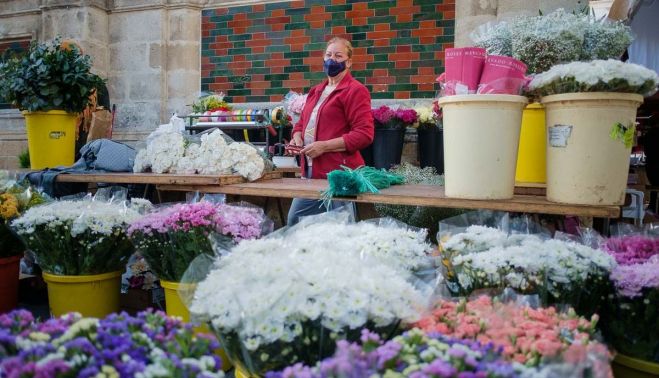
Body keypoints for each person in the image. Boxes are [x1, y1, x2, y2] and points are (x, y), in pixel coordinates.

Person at [287, 36, 374, 225]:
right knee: (295, 221)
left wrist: (324, 146)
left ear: (349, 62)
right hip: (310, 172)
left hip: (340, 174)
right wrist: (297, 137)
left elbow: (364, 134)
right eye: (328, 55)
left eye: (338, 56)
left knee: (343, 227)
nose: (332, 60)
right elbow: (301, 123)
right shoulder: (316, 91)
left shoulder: (355, 90)